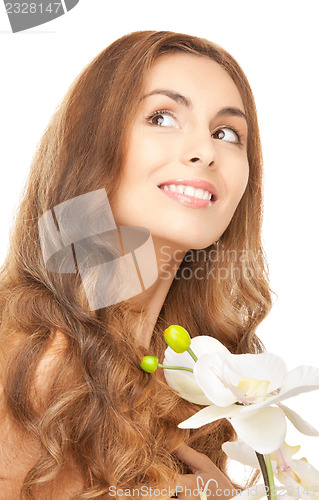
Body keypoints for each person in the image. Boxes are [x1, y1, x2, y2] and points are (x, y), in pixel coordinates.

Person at [0, 30, 273, 499]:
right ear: (91, 147)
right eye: (162, 117)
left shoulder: (190, 370)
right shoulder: (36, 360)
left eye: (226, 132)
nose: (205, 151)